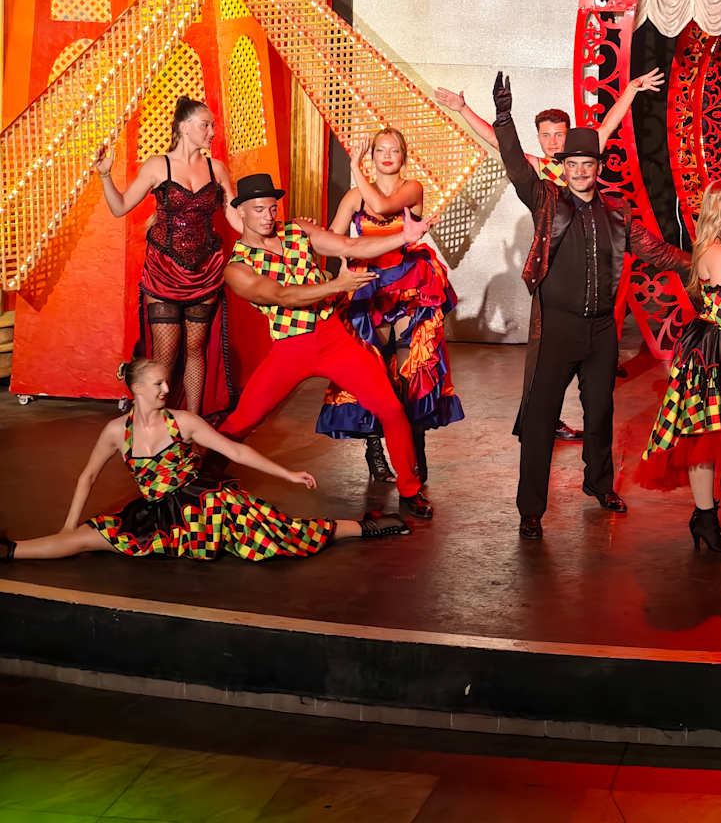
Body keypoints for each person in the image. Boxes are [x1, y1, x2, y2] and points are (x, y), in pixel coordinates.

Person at [491, 73, 690, 541]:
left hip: (601, 332)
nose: (580, 171)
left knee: (599, 413)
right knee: (540, 421)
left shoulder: (617, 213)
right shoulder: (546, 201)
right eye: (573, 164)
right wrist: (504, 118)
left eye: (588, 163)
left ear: (598, 167)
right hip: (556, 330)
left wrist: (704, 260)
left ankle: (599, 484)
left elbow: (659, 253)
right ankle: (531, 508)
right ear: (563, 167)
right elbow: (517, 166)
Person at [434, 69, 664, 441]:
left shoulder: (581, 159)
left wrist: (631, 90)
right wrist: (463, 109)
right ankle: (538, 422)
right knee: (544, 354)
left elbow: (608, 125)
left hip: (591, 270)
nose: (554, 141)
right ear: (538, 138)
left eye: (559, 134)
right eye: (546, 135)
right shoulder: (538, 169)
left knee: (586, 348)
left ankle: (559, 417)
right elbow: (497, 140)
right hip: (554, 272)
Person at [0, 358, 407, 563]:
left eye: (166, 381)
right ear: (136, 388)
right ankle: (10, 551)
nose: (166, 388)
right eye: (157, 383)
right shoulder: (115, 431)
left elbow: (236, 451)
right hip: (156, 514)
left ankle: (364, 527)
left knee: (281, 535)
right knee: (88, 537)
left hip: (206, 505)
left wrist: (288, 473)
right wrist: (68, 526)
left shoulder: (184, 422)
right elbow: (87, 476)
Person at [217, 173, 436, 520]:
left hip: (333, 338)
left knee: (392, 409)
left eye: (272, 208)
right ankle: (198, 480)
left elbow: (349, 246)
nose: (268, 216)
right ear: (240, 212)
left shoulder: (297, 231)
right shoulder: (237, 267)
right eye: (259, 210)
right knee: (241, 421)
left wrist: (402, 237)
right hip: (291, 348)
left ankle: (410, 489)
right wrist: (337, 285)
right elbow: (283, 296)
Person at [316, 129, 464, 484]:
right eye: (380, 150)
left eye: (393, 150)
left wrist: (355, 168)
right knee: (373, 370)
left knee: (411, 370)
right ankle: (374, 448)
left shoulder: (411, 188)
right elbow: (331, 239)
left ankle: (414, 449)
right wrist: (337, 265)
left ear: (403, 156)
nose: (386, 155)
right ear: (373, 156)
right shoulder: (354, 196)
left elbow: (383, 207)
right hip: (369, 287)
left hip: (408, 283)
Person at [636, 181, 721, 554]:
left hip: (718, 344)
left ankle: (705, 517)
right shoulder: (719, 252)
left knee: (710, 433)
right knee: (703, 435)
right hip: (712, 348)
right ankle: (705, 519)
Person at [95, 96, 242, 414]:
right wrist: (105, 175)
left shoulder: (216, 169)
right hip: (164, 271)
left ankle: (192, 423)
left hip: (206, 270)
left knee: (196, 350)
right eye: (206, 125)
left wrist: (264, 233)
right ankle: (156, 422)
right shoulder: (156, 166)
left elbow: (233, 213)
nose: (212, 132)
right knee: (165, 354)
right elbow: (120, 208)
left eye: (212, 125)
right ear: (184, 127)